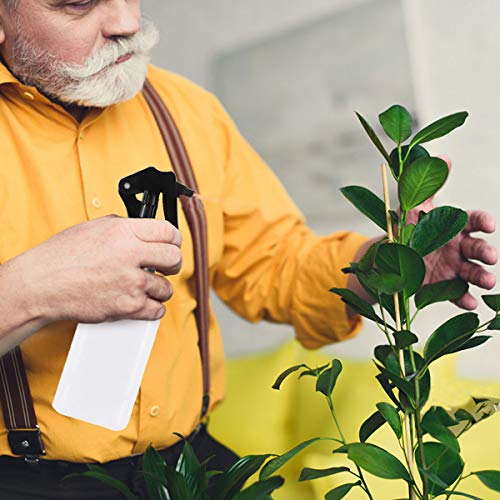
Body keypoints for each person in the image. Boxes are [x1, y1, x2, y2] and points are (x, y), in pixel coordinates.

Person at [0, 0, 496, 498]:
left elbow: (275, 264)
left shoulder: (190, 112)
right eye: (78, 4)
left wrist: (389, 262)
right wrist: (32, 289)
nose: (128, 21)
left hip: (193, 468)